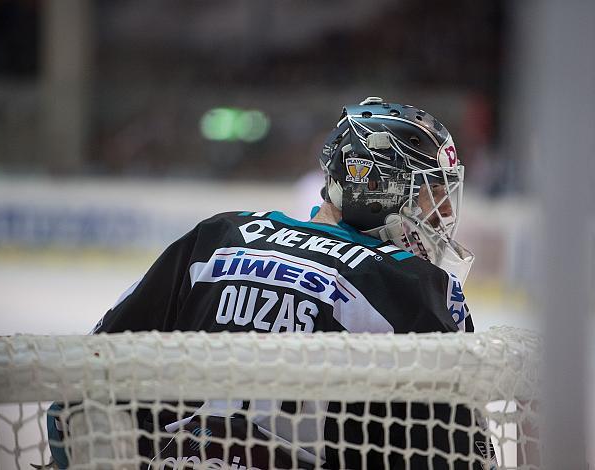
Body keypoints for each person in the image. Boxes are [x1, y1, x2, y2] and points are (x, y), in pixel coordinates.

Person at [47, 97, 494, 469]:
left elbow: (79, 396)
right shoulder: (413, 287)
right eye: (432, 195)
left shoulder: (215, 239)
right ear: (379, 187)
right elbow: (465, 457)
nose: (444, 217)